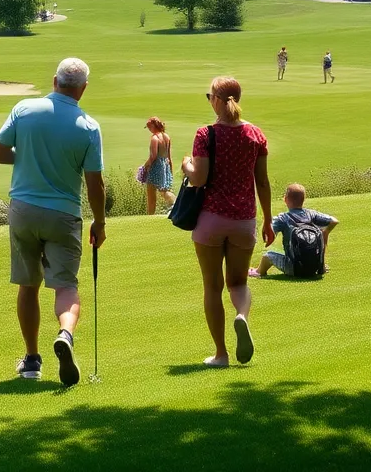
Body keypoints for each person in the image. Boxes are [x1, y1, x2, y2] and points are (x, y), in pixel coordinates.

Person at [0, 57, 105, 387]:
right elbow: (95, 183)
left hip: (24, 210)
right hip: (64, 213)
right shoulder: (88, 126)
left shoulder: (25, 109)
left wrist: (25, 155)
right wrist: (100, 222)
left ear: (55, 81)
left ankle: (31, 361)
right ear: (83, 88)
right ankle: (65, 334)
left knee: (29, 284)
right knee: (65, 286)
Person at [180, 76, 273, 367]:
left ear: (217, 101)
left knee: (212, 287)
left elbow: (199, 178)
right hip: (244, 220)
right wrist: (268, 220)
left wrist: (185, 164)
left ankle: (220, 354)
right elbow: (263, 182)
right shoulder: (255, 134)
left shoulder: (205, 134)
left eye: (210, 96)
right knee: (239, 283)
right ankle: (242, 316)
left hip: (210, 220)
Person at [249, 184, 338, 278]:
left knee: (268, 256)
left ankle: (258, 272)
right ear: (303, 199)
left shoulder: (283, 218)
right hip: (314, 267)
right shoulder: (311, 214)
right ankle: (321, 266)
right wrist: (325, 232)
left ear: (285, 199)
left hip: (294, 268)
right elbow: (334, 221)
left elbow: (269, 231)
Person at [142, 117, 174, 215]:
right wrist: (170, 169)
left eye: (149, 127)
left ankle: (150, 216)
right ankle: (175, 203)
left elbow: (153, 156)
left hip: (156, 167)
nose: (148, 129)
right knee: (164, 190)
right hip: (165, 165)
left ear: (153, 126)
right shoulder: (166, 136)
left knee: (151, 194)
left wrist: (145, 166)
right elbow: (169, 156)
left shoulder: (154, 138)